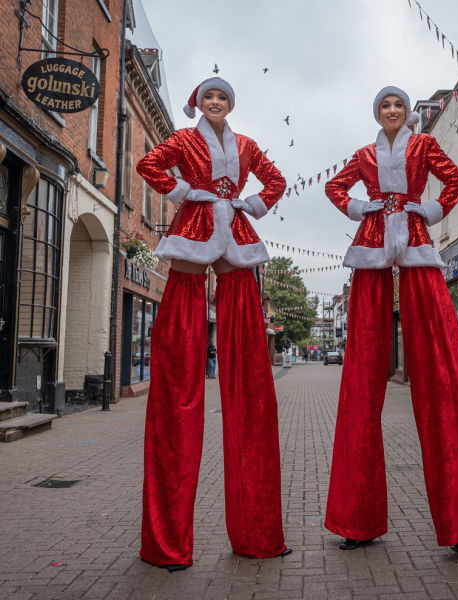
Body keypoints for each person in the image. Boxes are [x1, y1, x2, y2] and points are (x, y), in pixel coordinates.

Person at [324, 86, 458, 561]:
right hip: (372, 247)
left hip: (417, 244)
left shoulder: (424, 146)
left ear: (406, 112)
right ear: (376, 113)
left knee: (442, 375)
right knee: (360, 381)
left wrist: (430, 209)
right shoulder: (362, 154)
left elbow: (455, 182)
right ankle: (357, 522)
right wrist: (362, 207)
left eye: (398, 104)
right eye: (384, 106)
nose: (392, 111)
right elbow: (335, 187)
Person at [136, 77, 292, 571]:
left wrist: (253, 203)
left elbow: (276, 181)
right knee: (178, 373)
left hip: (237, 232)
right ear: (198, 104)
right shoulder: (183, 140)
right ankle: (166, 544)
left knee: (247, 376)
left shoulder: (245, 145)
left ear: (232, 104)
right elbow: (148, 164)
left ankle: (257, 532)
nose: (217, 102)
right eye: (209, 97)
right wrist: (188, 192)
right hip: (194, 226)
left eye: (223, 97)